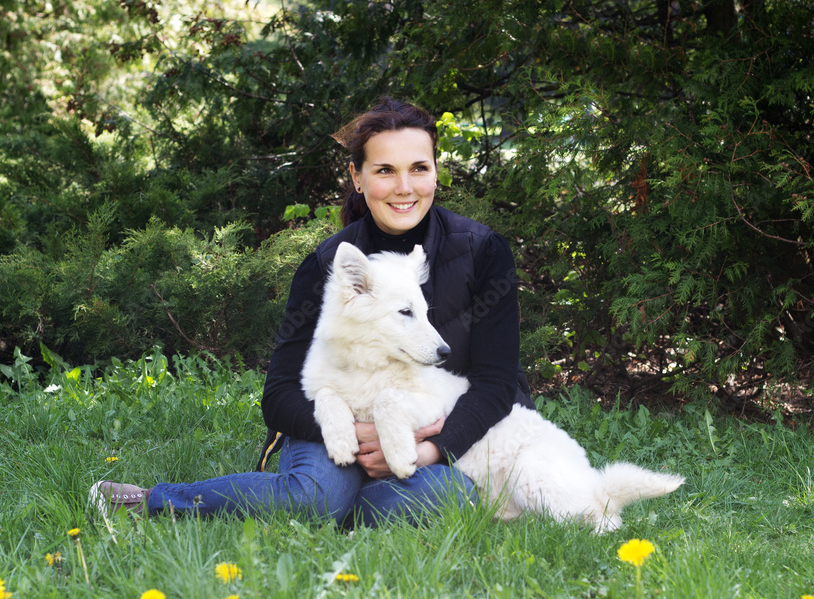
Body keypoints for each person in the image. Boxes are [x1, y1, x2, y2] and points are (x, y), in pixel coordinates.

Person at [89, 97, 534, 527]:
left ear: (436, 171)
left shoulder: (481, 251)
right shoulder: (327, 266)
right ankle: (151, 500)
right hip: (336, 425)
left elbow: (496, 384)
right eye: (385, 170)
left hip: (438, 428)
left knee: (446, 494)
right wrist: (355, 431)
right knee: (317, 495)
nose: (404, 187)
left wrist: (429, 449)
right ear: (357, 177)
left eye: (419, 168)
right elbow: (280, 395)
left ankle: (330, 507)